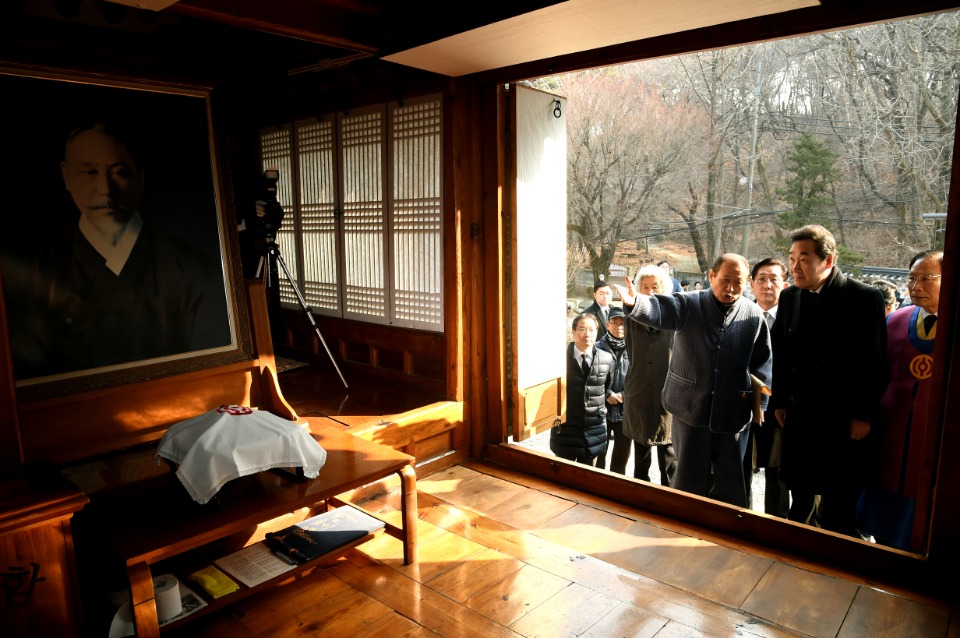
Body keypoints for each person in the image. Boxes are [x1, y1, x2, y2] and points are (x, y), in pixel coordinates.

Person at [5, 121, 229, 379]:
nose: (106, 189)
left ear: (140, 177)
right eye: (89, 172)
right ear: (66, 175)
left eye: (119, 172)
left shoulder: (191, 270)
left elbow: (211, 372)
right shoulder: (39, 271)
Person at [612, 253, 772, 507]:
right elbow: (661, 309)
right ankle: (684, 526)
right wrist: (636, 304)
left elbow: (763, 363)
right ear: (711, 276)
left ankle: (727, 534)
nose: (730, 288)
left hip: (733, 411)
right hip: (689, 407)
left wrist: (760, 403)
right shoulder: (689, 303)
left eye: (738, 282)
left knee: (731, 483)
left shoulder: (753, 315)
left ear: (747, 283)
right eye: (724, 280)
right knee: (688, 479)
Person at [771, 224, 888, 538]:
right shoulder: (790, 296)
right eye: (792, 258)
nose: (794, 266)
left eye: (804, 258)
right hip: (800, 413)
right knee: (800, 495)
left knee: (839, 502)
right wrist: (779, 401)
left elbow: (874, 363)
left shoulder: (863, 298)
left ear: (828, 260)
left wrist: (863, 416)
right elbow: (781, 355)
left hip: (841, 417)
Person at [858, 251, 942, 551]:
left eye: (926, 278)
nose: (916, 286)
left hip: (935, 441)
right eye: (912, 278)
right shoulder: (896, 320)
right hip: (889, 433)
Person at [620, 264, 677, 485]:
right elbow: (629, 309)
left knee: (669, 460)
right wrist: (631, 303)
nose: (651, 291)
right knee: (640, 458)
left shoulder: (674, 318)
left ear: (665, 289)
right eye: (645, 287)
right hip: (639, 392)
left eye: (656, 286)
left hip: (667, 395)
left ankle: (671, 503)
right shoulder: (632, 315)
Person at [743, 258, 790, 517]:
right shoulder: (741, 315)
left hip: (779, 408)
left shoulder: (794, 318)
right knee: (742, 468)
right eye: (761, 279)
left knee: (778, 473)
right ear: (752, 284)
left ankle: (777, 524)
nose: (767, 285)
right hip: (746, 406)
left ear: (785, 283)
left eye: (774, 279)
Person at [551, 314, 614, 466]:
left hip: (594, 429)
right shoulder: (558, 359)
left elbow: (606, 389)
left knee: (588, 478)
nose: (587, 334)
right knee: (562, 478)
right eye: (582, 329)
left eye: (592, 330)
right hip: (566, 429)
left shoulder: (607, 359)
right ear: (573, 332)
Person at [595, 306, 631, 474]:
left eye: (622, 323)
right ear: (607, 325)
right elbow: (591, 377)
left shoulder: (635, 348)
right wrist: (607, 394)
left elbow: (639, 378)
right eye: (614, 322)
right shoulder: (597, 347)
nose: (619, 327)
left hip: (626, 410)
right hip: (602, 409)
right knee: (599, 453)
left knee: (621, 456)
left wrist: (625, 395)